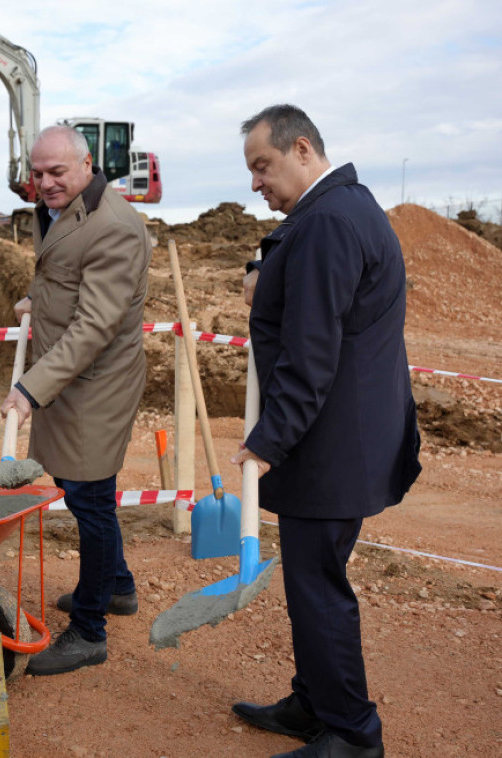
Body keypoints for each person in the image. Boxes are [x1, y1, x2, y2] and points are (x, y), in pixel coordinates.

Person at [229, 105, 422, 758]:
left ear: (302, 149)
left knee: (319, 589)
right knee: (311, 581)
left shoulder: (330, 224)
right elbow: (302, 281)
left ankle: (350, 731)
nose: (255, 183)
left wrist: (267, 441)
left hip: (331, 444)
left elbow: (313, 353)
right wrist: (265, 269)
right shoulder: (339, 210)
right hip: (341, 438)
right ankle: (313, 703)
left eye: (263, 166)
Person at [0, 125, 151, 676]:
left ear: (87, 164)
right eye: (38, 174)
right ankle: (118, 587)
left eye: (57, 172)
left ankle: (90, 629)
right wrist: (35, 298)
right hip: (71, 375)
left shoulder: (116, 228)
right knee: (82, 490)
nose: (44, 183)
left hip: (96, 382)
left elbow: (94, 327)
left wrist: (29, 390)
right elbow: (65, 274)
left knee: (90, 499)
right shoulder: (61, 209)